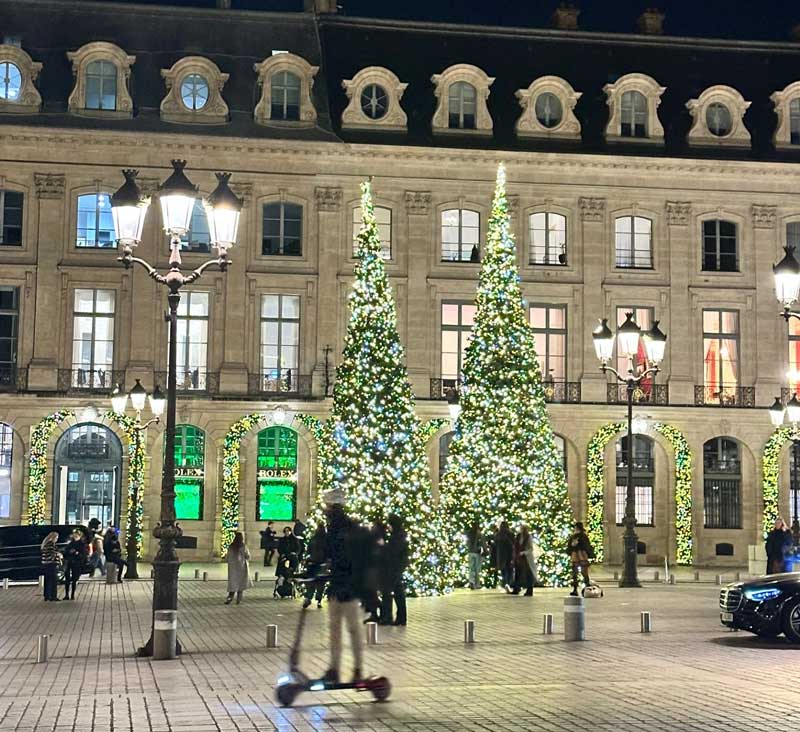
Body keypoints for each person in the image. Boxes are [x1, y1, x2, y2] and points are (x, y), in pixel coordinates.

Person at [322, 488, 367, 684]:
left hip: (344, 584)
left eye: (327, 505)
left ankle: (339, 669)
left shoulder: (337, 527)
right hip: (345, 583)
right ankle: (346, 668)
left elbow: (336, 554)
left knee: (344, 628)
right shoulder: (341, 526)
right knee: (348, 628)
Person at [380, 514, 408, 626]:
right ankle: (400, 617)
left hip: (393, 568)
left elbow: (392, 553)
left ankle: (389, 617)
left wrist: (383, 547)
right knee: (398, 593)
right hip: (396, 568)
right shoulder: (399, 535)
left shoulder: (397, 537)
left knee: (389, 592)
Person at [362, 521, 385, 623]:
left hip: (374, 569)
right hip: (372, 568)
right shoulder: (375, 539)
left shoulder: (378, 539)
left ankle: (378, 611)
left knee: (371, 592)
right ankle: (375, 612)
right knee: (370, 593)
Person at [301, 524, 328, 609]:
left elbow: (308, 550)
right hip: (322, 563)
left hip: (312, 563)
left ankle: (308, 597)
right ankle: (319, 600)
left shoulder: (313, 539)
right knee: (321, 584)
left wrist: (307, 560)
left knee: (311, 582)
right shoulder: (326, 540)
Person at [566, 521, 594, 596]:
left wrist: (573, 547)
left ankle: (578, 589)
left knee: (577, 573)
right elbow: (587, 546)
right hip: (581, 555)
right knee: (583, 573)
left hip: (578, 555)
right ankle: (586, 588)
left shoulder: (576, 536)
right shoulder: (582, 536)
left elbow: (570, 546)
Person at [225, 531, 252, 604]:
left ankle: (230, 598)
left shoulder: (231, 546)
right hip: (242, 567)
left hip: (232, 567)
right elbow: (248, 556)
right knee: (241, 584)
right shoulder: (243, 546)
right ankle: (239, 600)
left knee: (232, 584)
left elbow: (227, 557)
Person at [62, 529, 88, 600]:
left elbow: (83, 555)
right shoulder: (70, 544)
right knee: (67, 579)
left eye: (77, 535)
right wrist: (69, 552)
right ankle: (67, 594)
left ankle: (72, 594)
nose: (75, 536)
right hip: (69, 563)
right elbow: (65, 552)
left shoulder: (82, 544)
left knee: (74, 579)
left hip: (77, 564)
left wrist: (77, 553)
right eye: (74, 535)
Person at [512, 525, 536, 596]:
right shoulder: (518, 536)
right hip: (518, 558)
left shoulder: (528, 537)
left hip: (527, 559)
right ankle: (516, 588)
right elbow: (515, 545)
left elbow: (531, 548)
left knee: (528, 574)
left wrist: (524, 552)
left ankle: (529, 590)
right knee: (517, 573)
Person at [492, 521, 515, 592]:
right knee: (510, 570)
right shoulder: (510, 534)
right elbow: (513, 544)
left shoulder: (498, 535)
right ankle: (508, 583)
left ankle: (505, 583)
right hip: (509, 554)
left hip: (500, 555)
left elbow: (495, 546)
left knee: (503, 570)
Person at [465, 522, 486, 590]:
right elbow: (483, 543)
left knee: (471, 568)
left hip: (470, 552)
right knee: (477, 569)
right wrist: (485, 550)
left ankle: (471, 581)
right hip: (477, 552)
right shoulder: (479, 534)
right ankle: (477, 584)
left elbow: (467, 543)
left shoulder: (469, 534)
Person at [41, 531, 61, 602]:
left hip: (45, 564)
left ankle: (47, 595)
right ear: (53, 537)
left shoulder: (45, 544)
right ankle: (53, 596)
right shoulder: (51, 544)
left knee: (47, 580)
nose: (57, 539)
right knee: (53, 581)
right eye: (56, 538)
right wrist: (58, 555)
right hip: (51, 564)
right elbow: (53, 554)